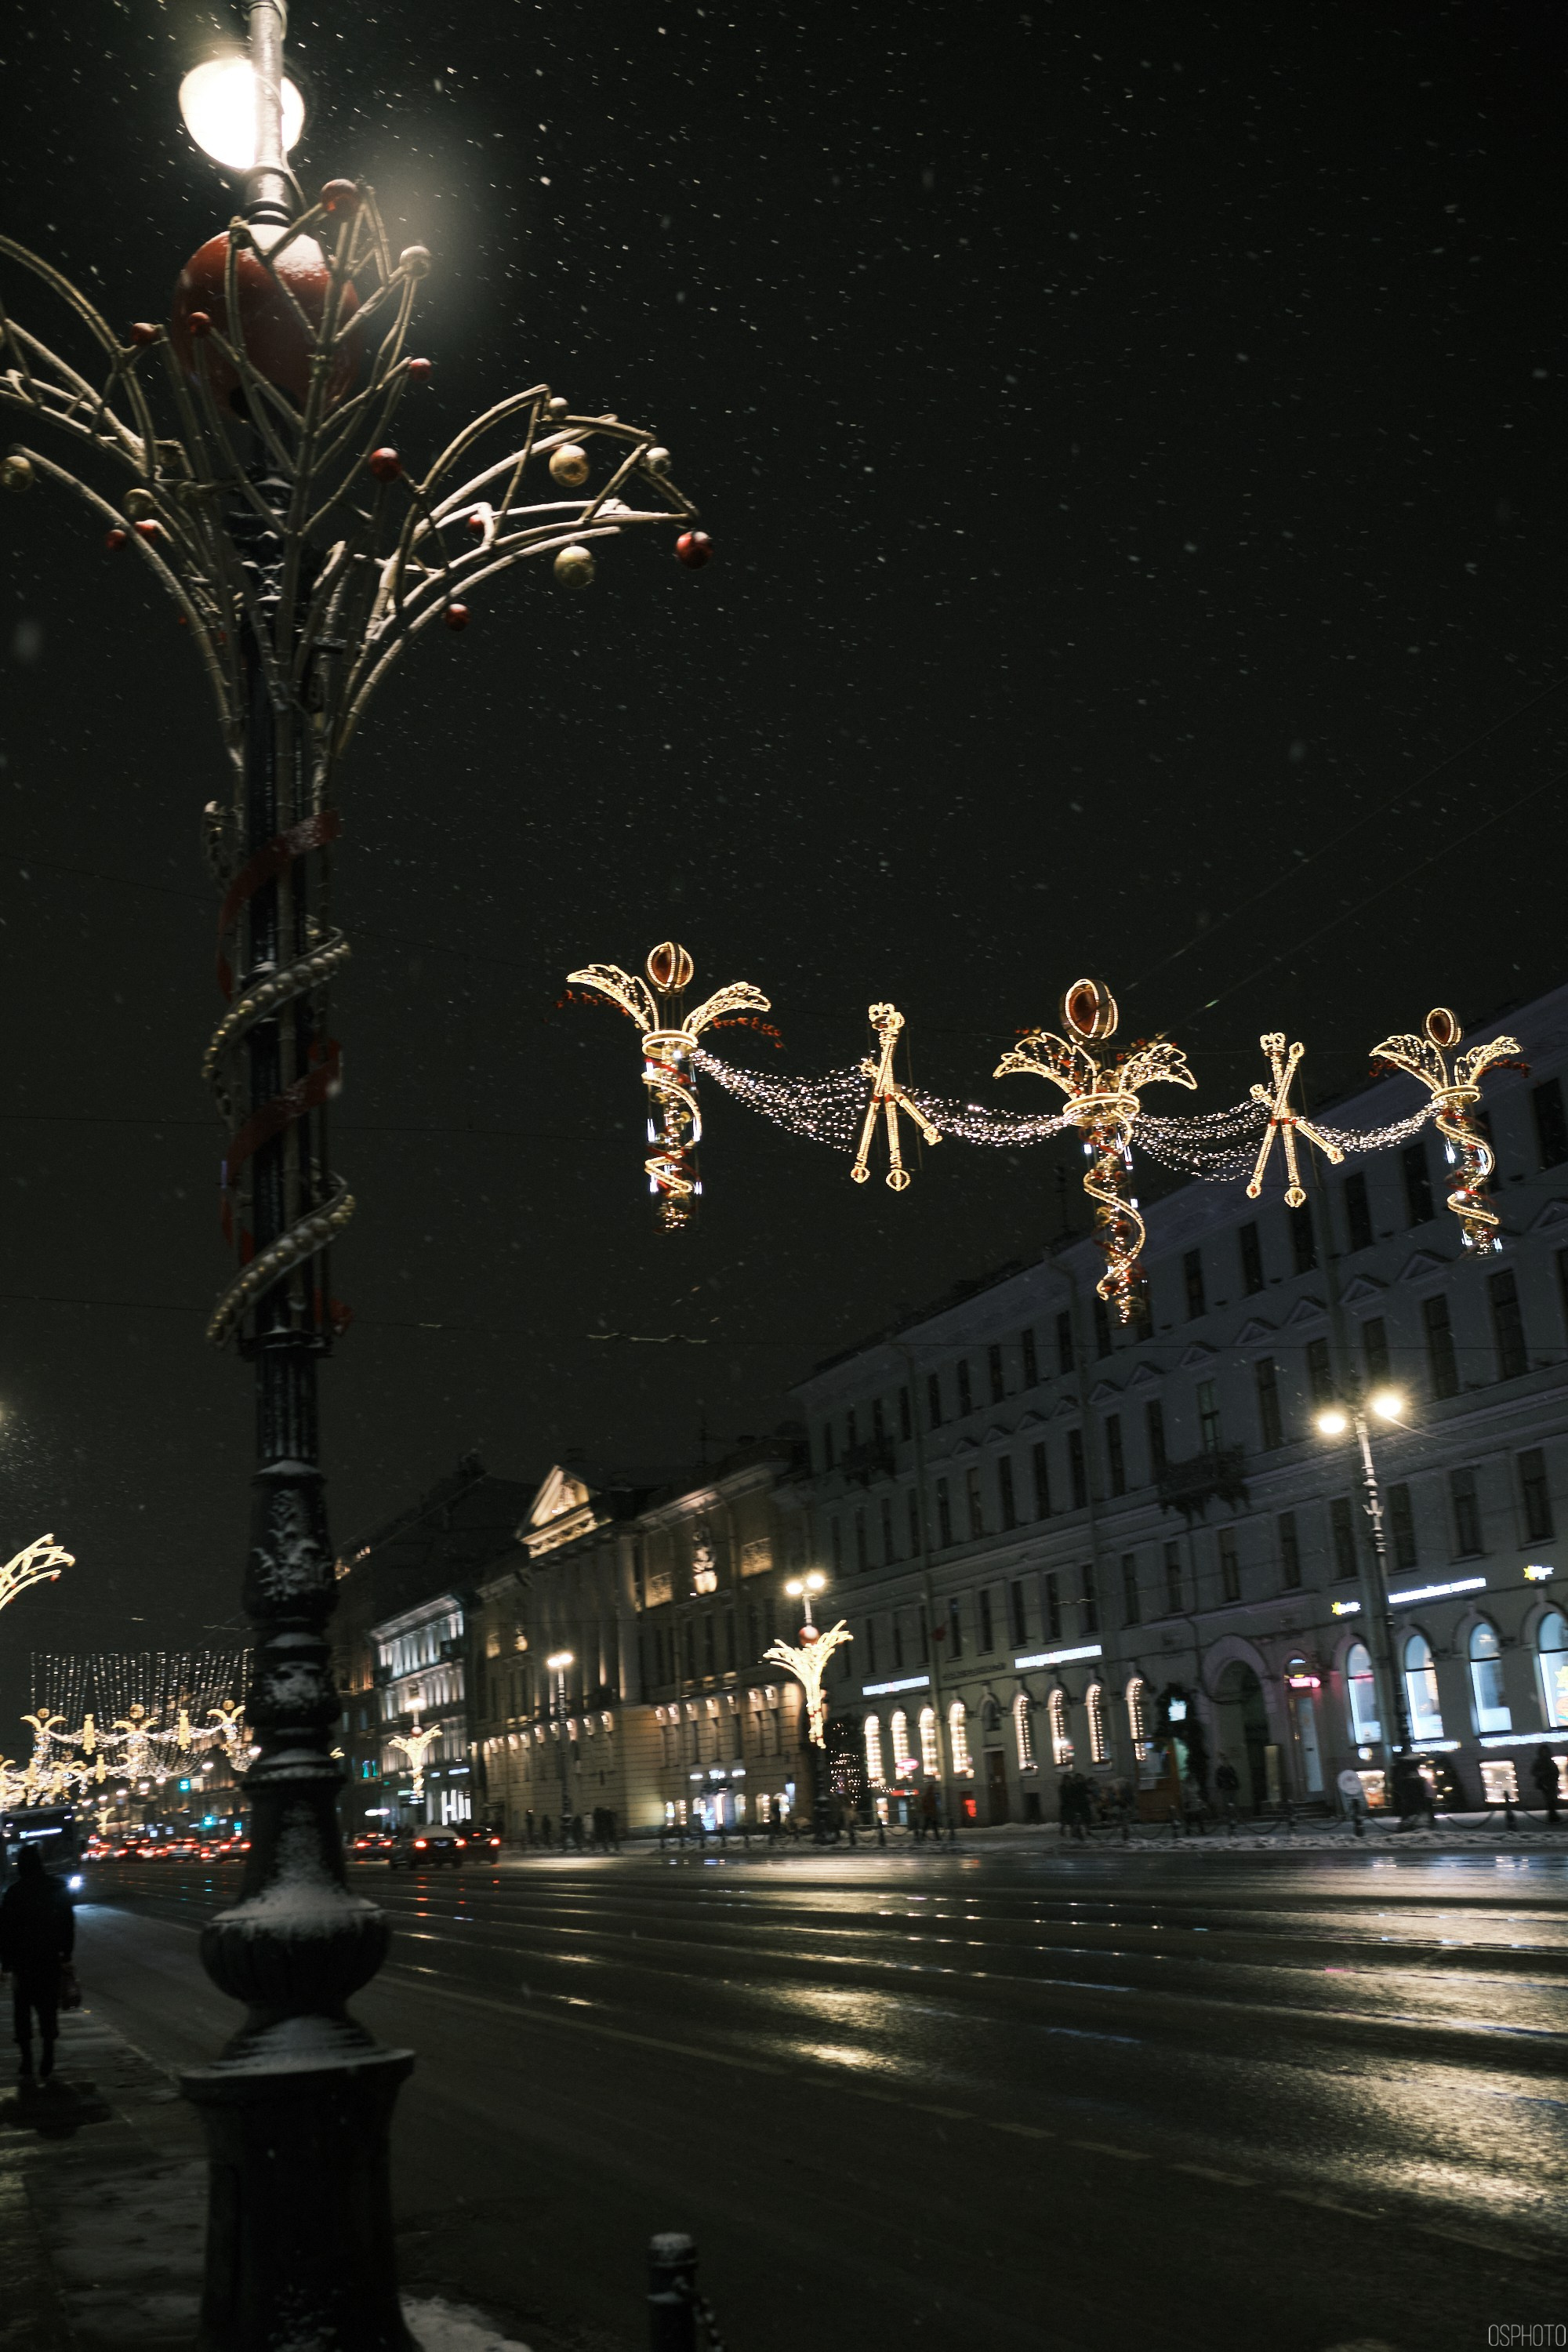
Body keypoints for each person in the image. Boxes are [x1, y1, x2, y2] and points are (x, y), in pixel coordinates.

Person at [0, 1846, 74, 2082]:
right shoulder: (56, 1888)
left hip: (23, 1963)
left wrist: (6, 1963)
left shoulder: (14, 1893)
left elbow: (6, 1932)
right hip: (49, 1959)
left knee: (22, 2011)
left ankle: (26, 2059)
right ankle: (48, 2054)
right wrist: (66, 1953)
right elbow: (67, 1923)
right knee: (47, 2007)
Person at [1530, 1745, 1563, 1827]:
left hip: (1552, 1783)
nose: (1545, 1753)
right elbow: (1533, 1772)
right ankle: (1552, 1816)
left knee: (1553, 1800)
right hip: (1544, 1783)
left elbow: (1556, 1771)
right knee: (1549, 1800)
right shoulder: (1539, 1762)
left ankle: (1553, 1815)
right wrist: (1542, 1774)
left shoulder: (1550, 1761)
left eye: (1546, 1751)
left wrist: (1555, 1777)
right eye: (1544, 1751)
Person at [1214, 1755, 1241, 1828]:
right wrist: (1221, 1787)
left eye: (1226, 1760)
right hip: (1226, 1789)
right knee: (1227, 1804)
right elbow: (1218, 1780)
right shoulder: (1221, 1770)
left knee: (1233, 1803)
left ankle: (1234, 1817)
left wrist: (1236, 1786)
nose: (1225, 1762)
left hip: (1231, 1788)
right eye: (1224, 1760)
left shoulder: (1230, 1768)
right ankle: (1230, 1818)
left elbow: (1235, 1778)